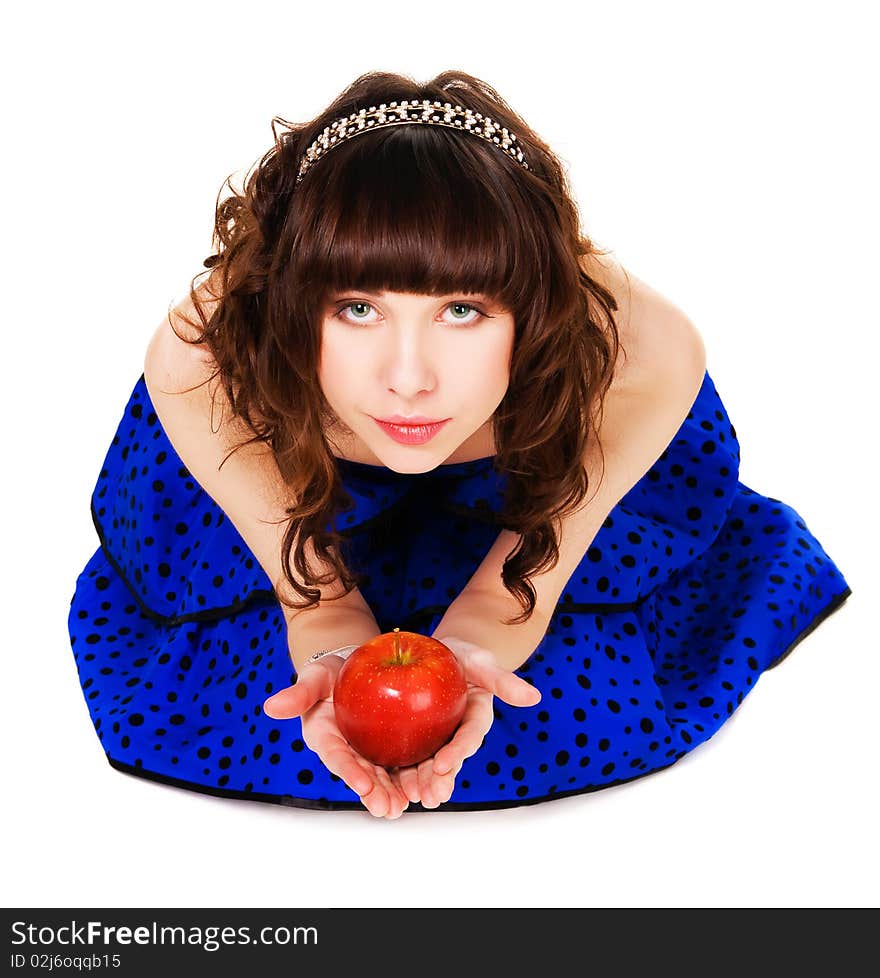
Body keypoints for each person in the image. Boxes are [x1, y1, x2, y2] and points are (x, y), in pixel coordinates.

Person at [68, 69, 851, 820]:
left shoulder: (638, 353)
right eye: (357, 310)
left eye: (463, 311)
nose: (409, 380)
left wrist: (477, 637)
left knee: (564, 715)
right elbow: (317, 600)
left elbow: (513, 593)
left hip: (532, 485)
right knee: (234, 707)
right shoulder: (204, 358)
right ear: (289, 305)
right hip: (297, 489)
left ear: (536, 310)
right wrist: (331, 629)